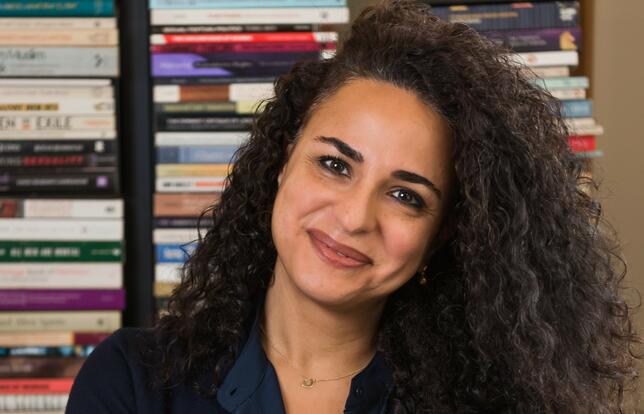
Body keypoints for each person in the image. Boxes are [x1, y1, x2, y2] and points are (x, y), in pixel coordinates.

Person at [66, 1, 641, 412]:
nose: (354, 217)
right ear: (283, 161)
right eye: (335, 164)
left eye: (406, 196)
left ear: (441, 235)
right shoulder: (132, 383)